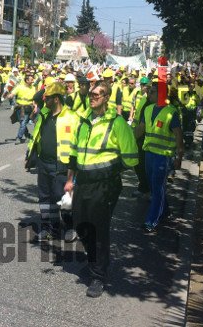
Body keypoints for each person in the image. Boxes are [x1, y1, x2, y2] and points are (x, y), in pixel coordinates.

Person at [65, 81, 139, 297]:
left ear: (107, 98)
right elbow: (76, 153)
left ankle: (98, 275)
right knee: (80, 225)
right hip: (85, 182)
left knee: (98, 229)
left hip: (105, 185)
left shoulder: (117, 123)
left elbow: (132, 158)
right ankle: (95, 261)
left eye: (99, 94)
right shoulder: (84, 121)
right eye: (92, 93)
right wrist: (71, 178)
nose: (93, 97)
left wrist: (108, 171)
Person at [26, 82, 83, 242]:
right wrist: (49, 86)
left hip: (62, 165)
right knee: (45, 198)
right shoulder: (45, 113)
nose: (44, 100)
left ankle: (70, 226)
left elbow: (78, 144)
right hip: (43, 163)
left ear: (57, 99)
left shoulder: (72, 117)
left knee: (63, 198)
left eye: (48, 98)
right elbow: (36, 97)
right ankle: (50, 228)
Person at [136, 81, 184, 232]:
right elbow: (141, 130)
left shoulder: (171, 112)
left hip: (163, 157)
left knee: (157, 187)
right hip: (148, 154)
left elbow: (178, 135)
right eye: (149, 91)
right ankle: (165, 211)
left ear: (161, 94)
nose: (148, 94)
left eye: (152, 92)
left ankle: (152, 221)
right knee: (153, 186)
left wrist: (179, 157)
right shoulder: (148, 109)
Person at [7, 72, 36, 144]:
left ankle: (19, 137)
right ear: (27, 80)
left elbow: (35, 99)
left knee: (23, 123)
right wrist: (10, 95)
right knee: (22, 123)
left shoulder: (34, 88)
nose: (33, 81)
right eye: (31, 79)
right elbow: (13, 93)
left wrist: (35, 106)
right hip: (19, 108)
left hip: (28, 108)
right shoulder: (19, 87)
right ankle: (27, 135)